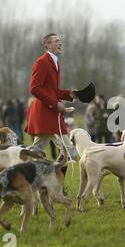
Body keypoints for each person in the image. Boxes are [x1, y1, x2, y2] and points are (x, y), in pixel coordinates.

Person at [25, 33, 78, 168]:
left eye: (60, 40)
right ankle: (55, 182)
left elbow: (52, 91)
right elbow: (34, 88)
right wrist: (55, 103)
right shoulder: (41, 62)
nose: (60, 43)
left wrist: (71, 94)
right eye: (56, 41)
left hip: (50, 114)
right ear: (47, 45)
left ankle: (23, 167)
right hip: (45, 113)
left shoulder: (55, 62)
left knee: (36, 150)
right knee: (67, 150)